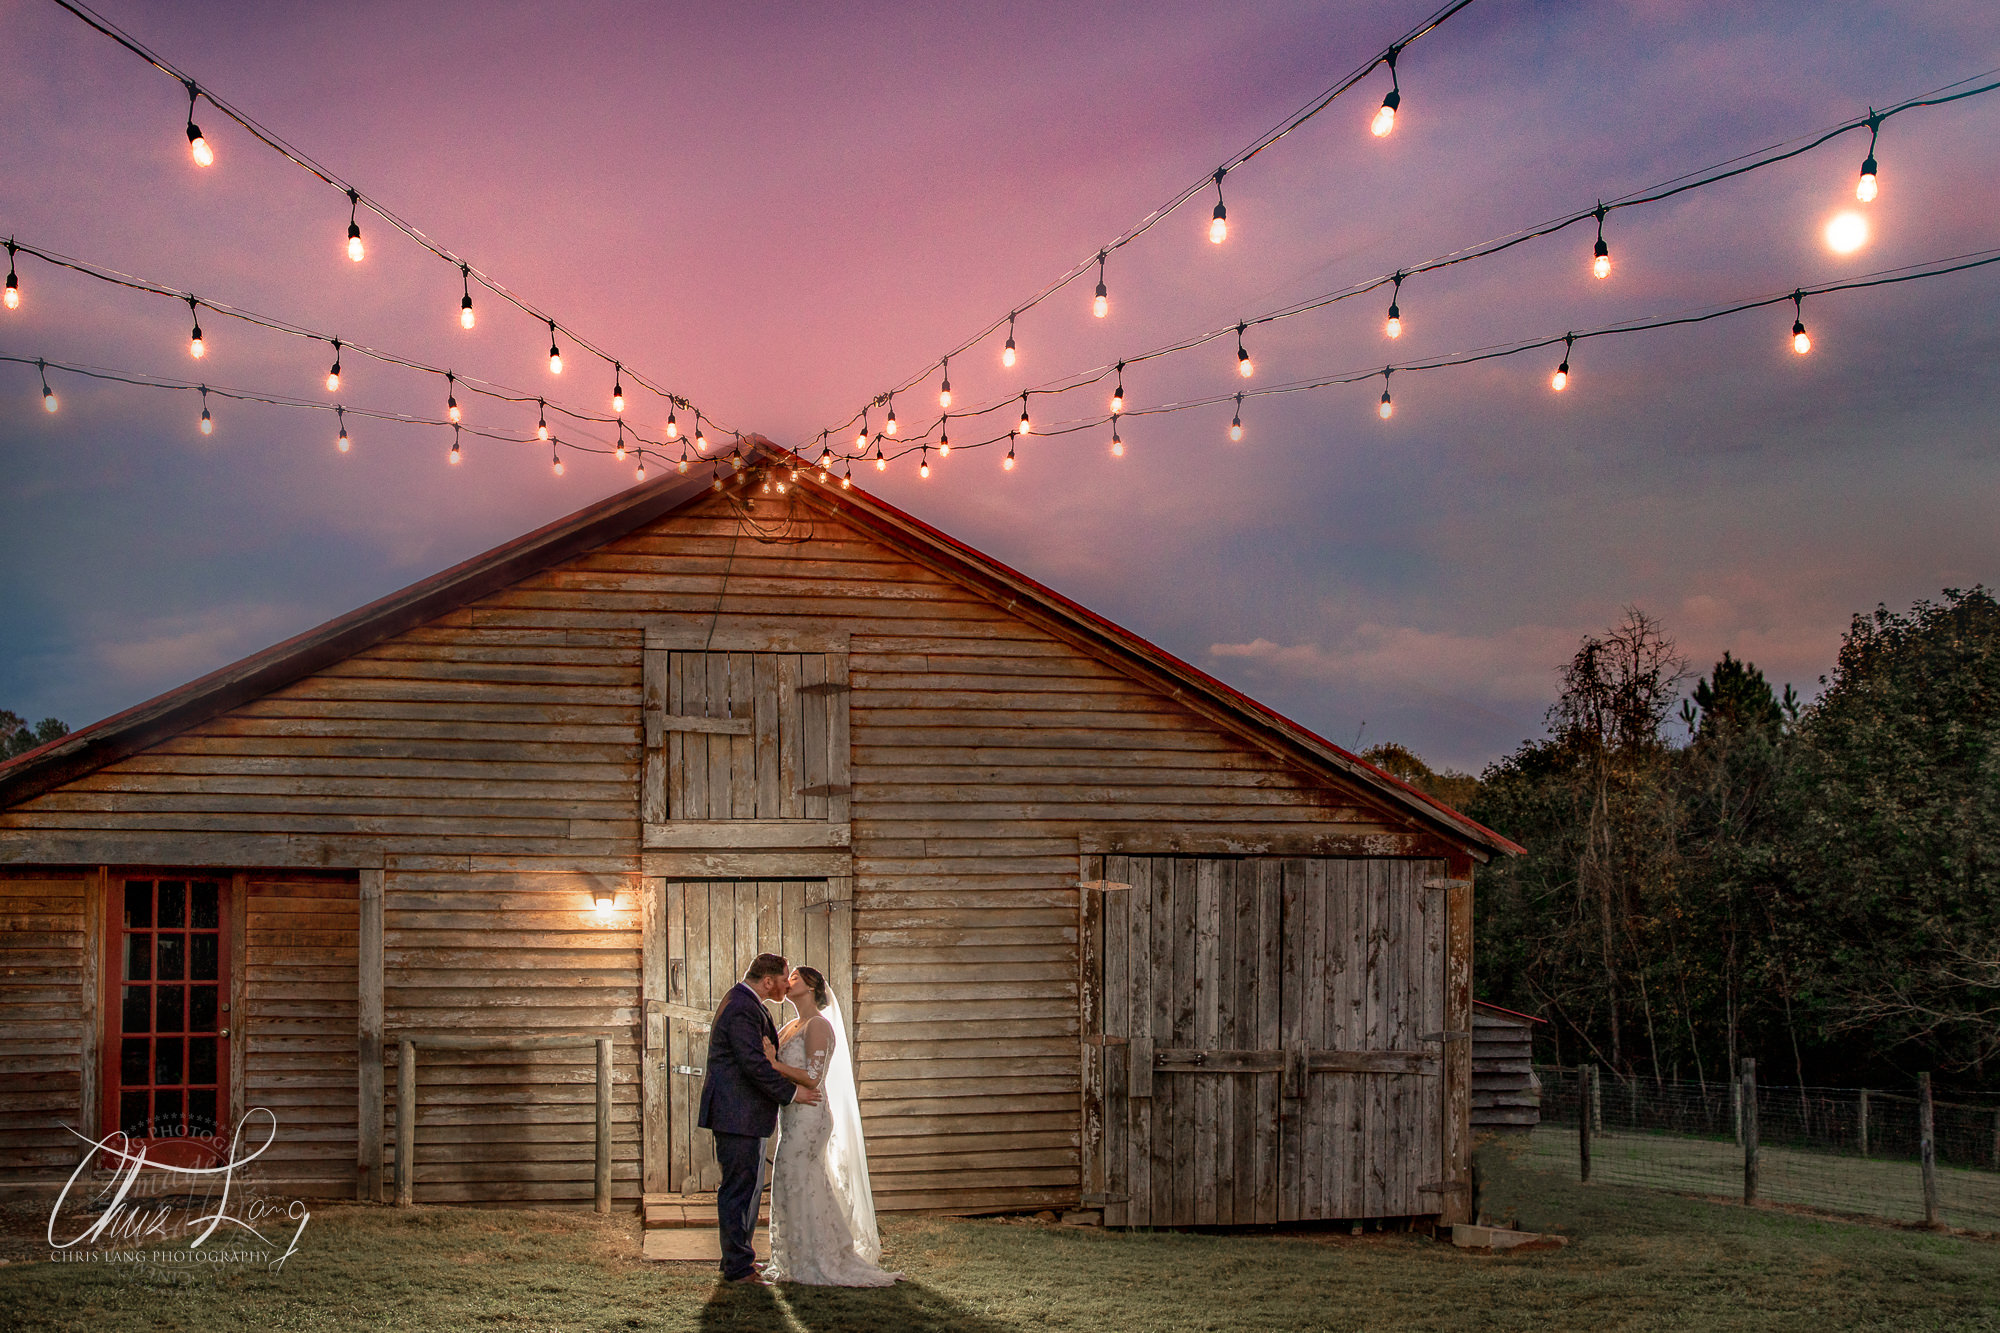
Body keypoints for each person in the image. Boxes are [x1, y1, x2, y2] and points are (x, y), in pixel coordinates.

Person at [759, 965, 902, 1286]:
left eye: (794, 977)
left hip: (811, 1115)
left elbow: (813, 1077)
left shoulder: (819, 1026)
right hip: (792, 1115)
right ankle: (796, 1256)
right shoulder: (789, 1026)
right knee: (791, 1180)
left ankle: (820, 1258)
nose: (787, 981)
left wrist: (773, 1063)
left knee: (799, 1176)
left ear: (810, 987)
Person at [698, 953, 820, 1285]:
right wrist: (794, 1094)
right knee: (739, 1190)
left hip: (745, 1115)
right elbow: (753, 1065)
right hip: (737, 1114)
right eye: (783, 979)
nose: (786, 985)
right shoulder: (741, 1007)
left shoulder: (750, 1004)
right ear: (768, 981)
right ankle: (738, 1269)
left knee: (747, 1189)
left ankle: (737, 1263)